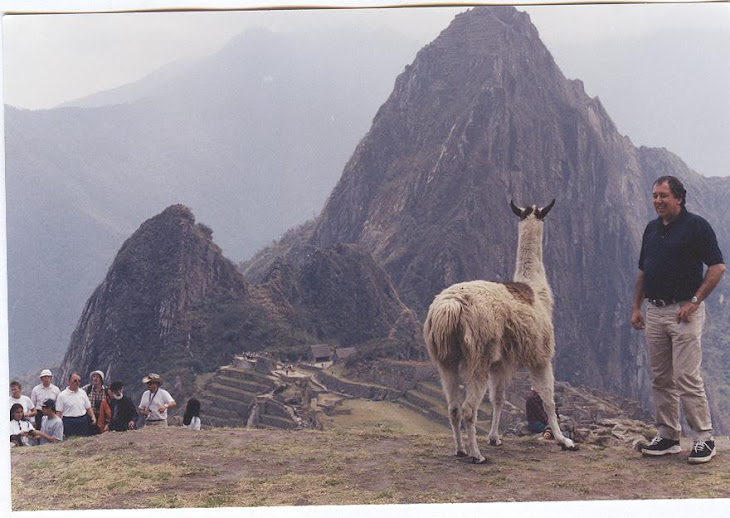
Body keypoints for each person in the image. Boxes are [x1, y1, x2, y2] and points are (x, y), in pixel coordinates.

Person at [631, 175, 726, 464]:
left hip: (684, 312)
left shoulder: (696, 226)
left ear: (678, 198)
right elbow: (643, 272)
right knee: (661, 378)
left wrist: (695, 301)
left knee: (686, 376)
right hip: (655, 312)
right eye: (654, 195)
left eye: (663, 196)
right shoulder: (651, 229)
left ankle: (703, 438)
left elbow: (718, 267)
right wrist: (637, 307)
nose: (657, 201)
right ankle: (669, 436)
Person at [56, 372, 96, 437]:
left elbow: (88, 407)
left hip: (82, 421)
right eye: (75, 380)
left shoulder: (83, 392)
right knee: (69, 442)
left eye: (79, 381)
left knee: (83, 441)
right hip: (69, 422)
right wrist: (58, 427)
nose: (77, 382)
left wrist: (93, 417)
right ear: (69, 381)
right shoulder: (62, 395)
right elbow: (58, 413)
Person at [82, 370, 107, 435]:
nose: (95, 379)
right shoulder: (87, 389)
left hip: (102, 416)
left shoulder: (106, 391)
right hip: (89, 415)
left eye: (97, 377)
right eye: (94, 376)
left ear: (101, 379)